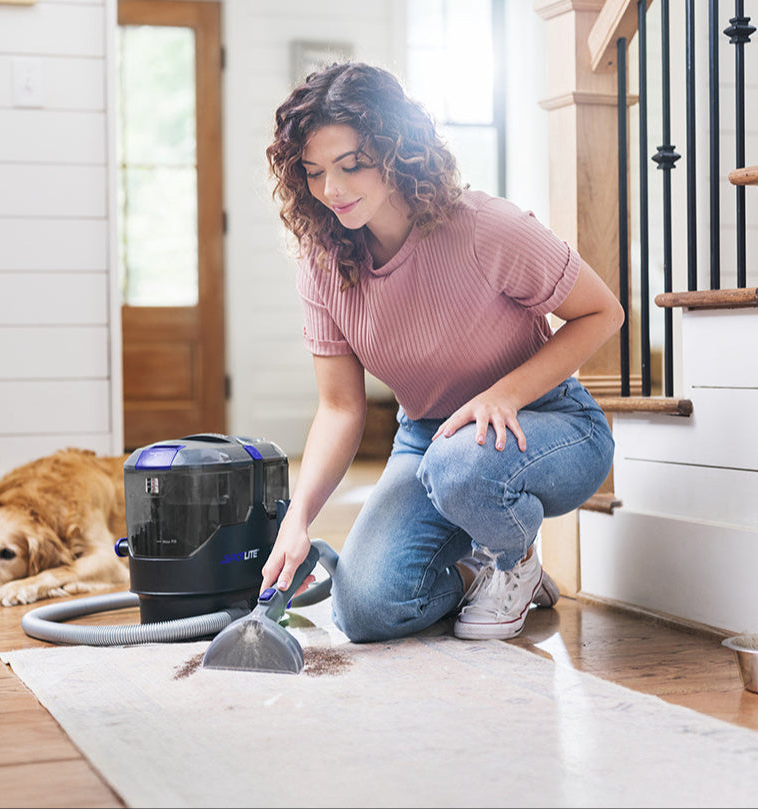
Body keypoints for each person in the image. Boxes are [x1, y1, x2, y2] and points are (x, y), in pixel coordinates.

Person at [260, 62, 623, 643]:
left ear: (396, 150)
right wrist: (296, 520)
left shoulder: (485, 227)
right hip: (428, 440)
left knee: (460, 465)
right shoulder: (323, 263)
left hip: (552, 424)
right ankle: (486, 571)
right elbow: (339, 408)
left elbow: (604, 313)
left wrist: (503, 394)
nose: (333, 189)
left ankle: (513, 559)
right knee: (362, 612)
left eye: (352, 164)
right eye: (314, 172)